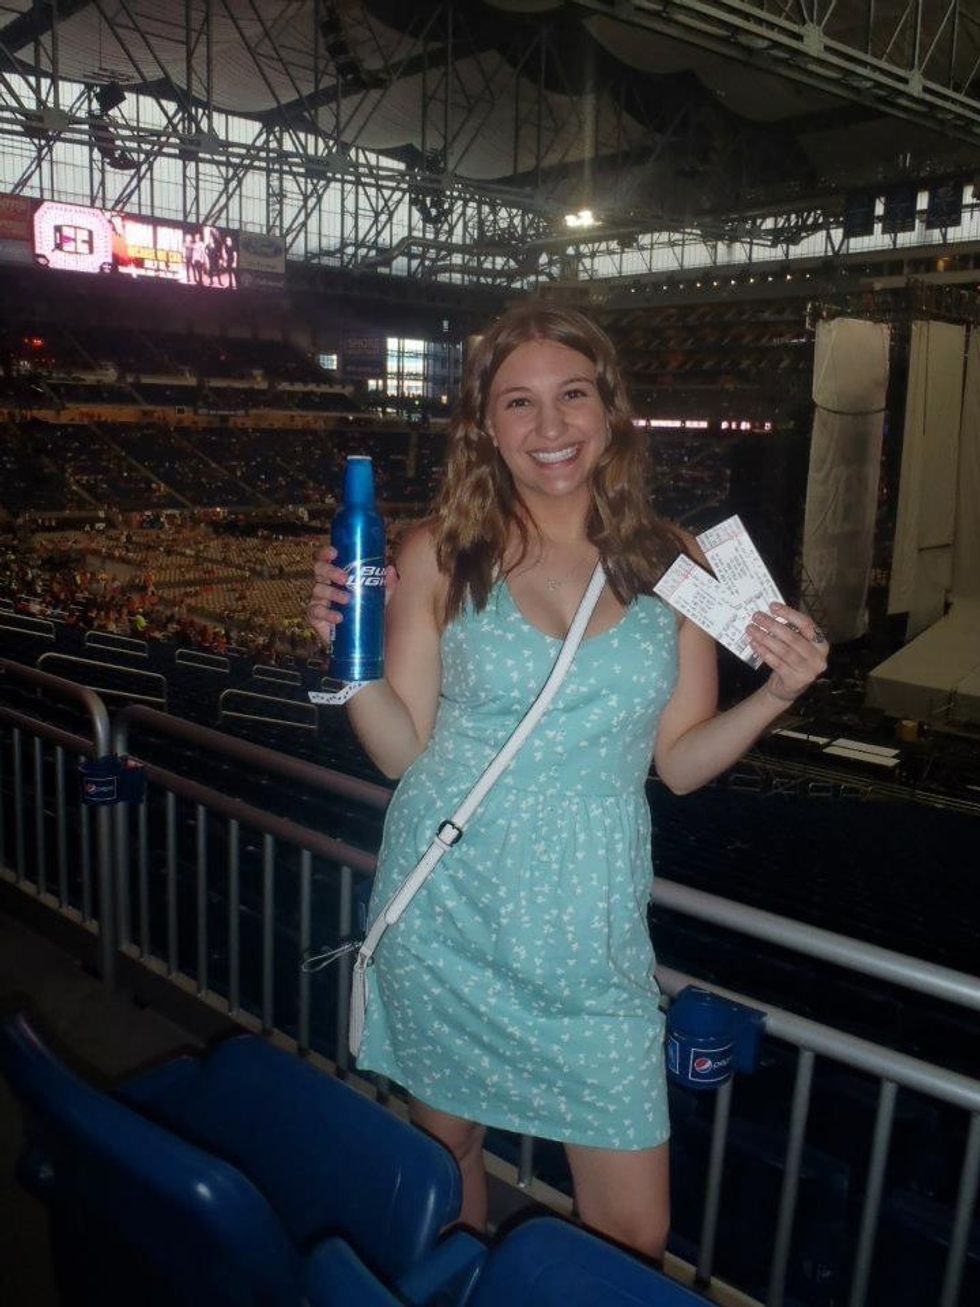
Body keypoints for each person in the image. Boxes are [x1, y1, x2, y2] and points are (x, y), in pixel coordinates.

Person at [307, 303, 827, 1258]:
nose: (550, 427)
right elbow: (398, 752)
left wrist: (777, 695)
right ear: (485, 425)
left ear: (610, 409)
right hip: (450, 906)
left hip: (591, 930)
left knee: (633, 1228)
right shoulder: (436, 551)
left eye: (572, 395)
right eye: (519, 402)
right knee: (449, 1160)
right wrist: (349, 654)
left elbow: (679, 761)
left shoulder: (676, 562)